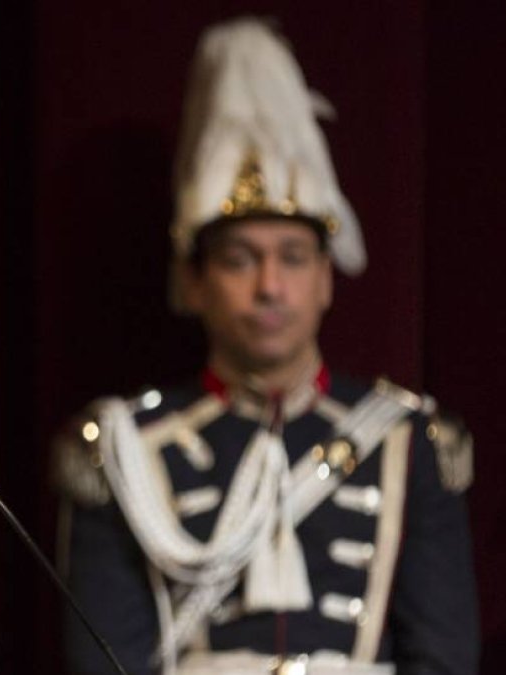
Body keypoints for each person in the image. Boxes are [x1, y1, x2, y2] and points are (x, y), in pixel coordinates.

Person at [53, 19, 477, 675]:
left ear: (326, 277)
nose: (270, 286)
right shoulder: (123, 449)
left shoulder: (408, 442)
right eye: (240, 259)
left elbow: (443, 656)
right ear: (193, 282)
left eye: (294, 256)